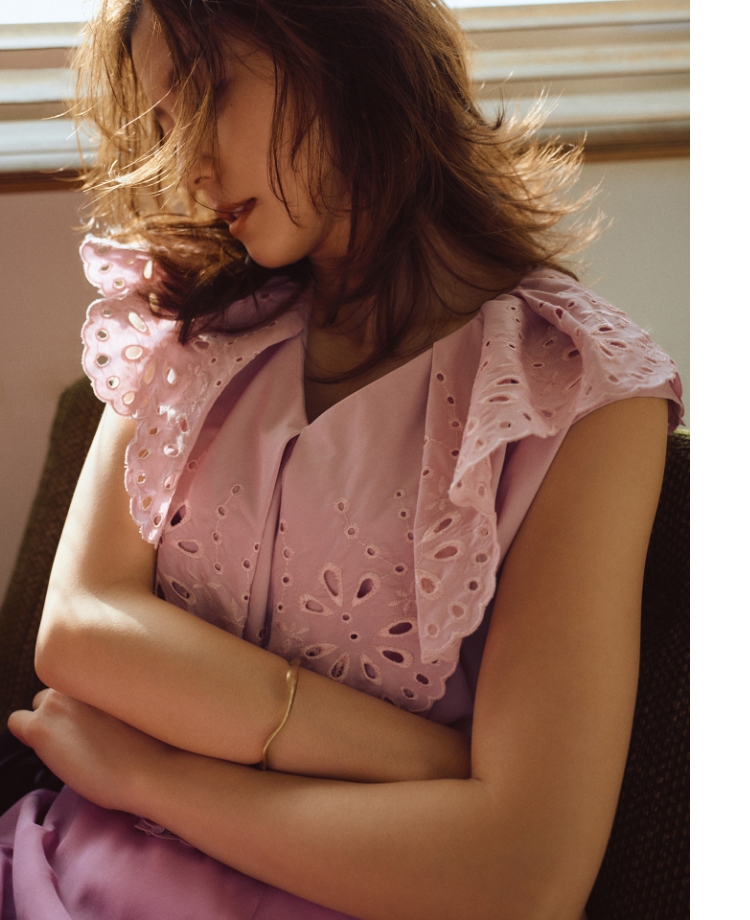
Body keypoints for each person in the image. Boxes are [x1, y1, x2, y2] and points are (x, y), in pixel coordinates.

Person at [0, 0, 683, 917]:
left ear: (341, 40)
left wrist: (150, 776)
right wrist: (425, 761)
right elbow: (79, 632)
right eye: (164, 124)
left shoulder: (582, 390)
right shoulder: (185, 326)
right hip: (53, 872)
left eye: (206, 94)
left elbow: (526, 874)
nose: (189, 166)